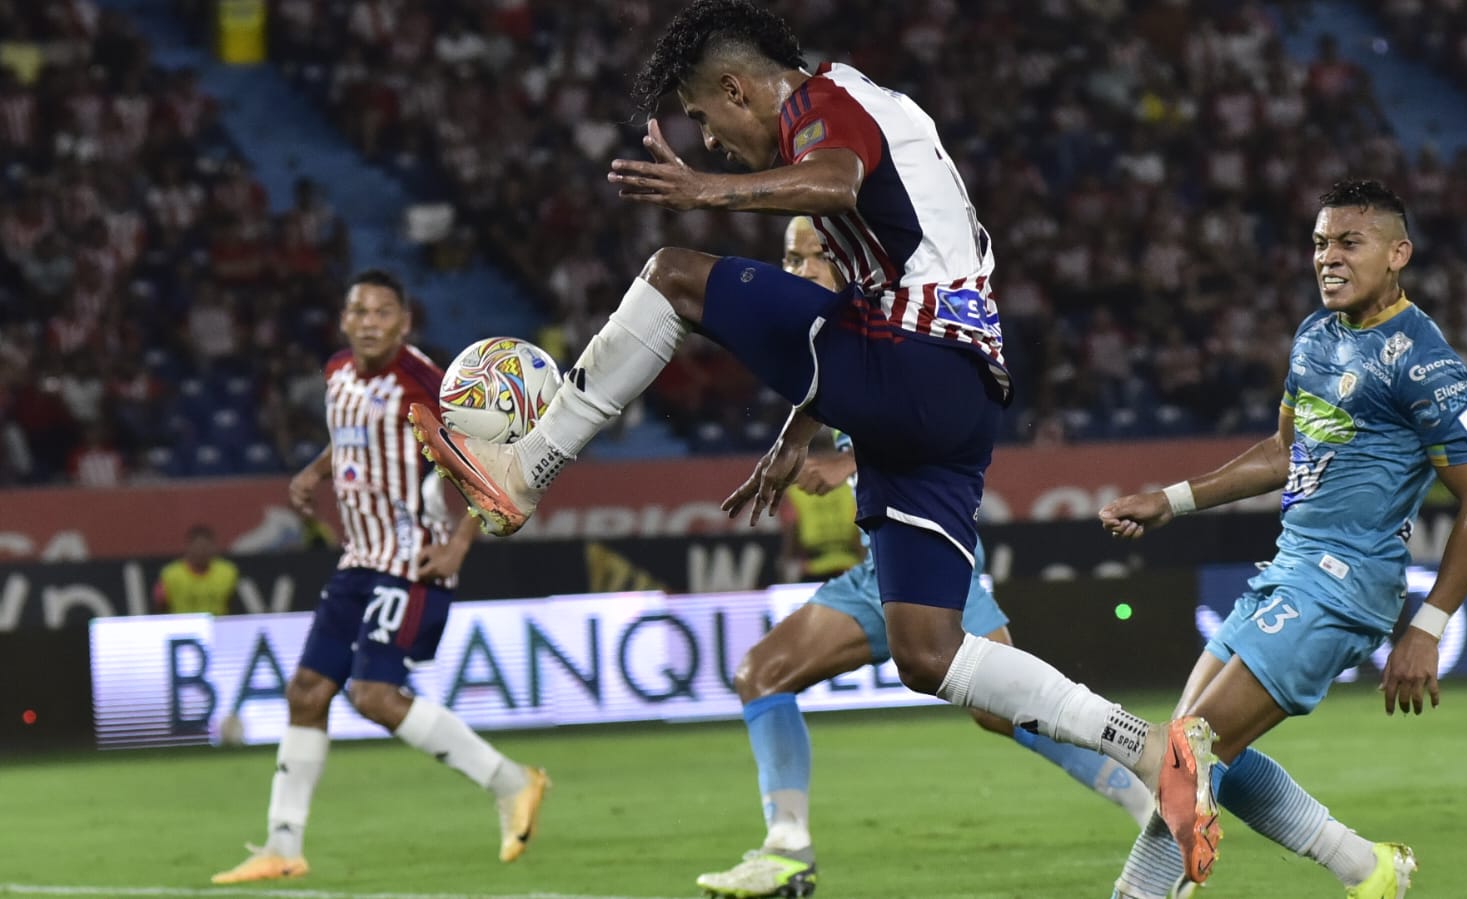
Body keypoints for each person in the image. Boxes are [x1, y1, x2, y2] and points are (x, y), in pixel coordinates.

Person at [410, 1, 1221, 884]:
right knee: (929, 651)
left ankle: (524, 470)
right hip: (950, 401)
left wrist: (702, 196)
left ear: (733, 87)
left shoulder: (823, 103)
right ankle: (1149, 751)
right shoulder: (868, 115)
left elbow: (832, 180)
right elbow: (865, 285)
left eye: (704, 119)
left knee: (674, 274)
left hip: (918, 367)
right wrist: (802, 422)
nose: (710, 144)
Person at [694, 217, 1159, 898]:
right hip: (877, 569)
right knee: (759, 673)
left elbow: (926, 416)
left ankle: (1152, 800)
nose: (791, 273)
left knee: (999, 709)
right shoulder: (834, 334)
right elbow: (832, 395)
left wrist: (842, 458)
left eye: (805, 257)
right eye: (785, 258)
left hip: (934, 553)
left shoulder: (897, 323)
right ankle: (787, 849)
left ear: (846, 258)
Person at [1098, 180, 1467, 899]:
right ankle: (1367, 868)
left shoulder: (1421, 358)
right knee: (1181, 750)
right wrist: (1171, 500)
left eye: (1349, 242)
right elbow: (1282, 452)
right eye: (1320, 242)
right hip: (1289, 569)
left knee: (1191, 756)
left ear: (1397, 253)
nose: (1328, 258)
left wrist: (1427, 626)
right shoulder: (1316, 335)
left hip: (1346, 586)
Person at [212, 271, 550, 885]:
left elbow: (488, 466)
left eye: (382, 312)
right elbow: (354, 436)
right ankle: (282, 846)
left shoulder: (424, 384)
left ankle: (511, 782)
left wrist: (460, 545)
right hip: (357, 559)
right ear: (344, 320)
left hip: (411, 560)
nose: (369, 321)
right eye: (358, 310)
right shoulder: (337, 370)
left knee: (373, 696)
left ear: (404, 322)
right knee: (308, 693)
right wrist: (318, 470)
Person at [777, 428, 864, 584]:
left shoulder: (796, 488)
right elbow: (860, 528)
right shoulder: (850, 482)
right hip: (849, 566)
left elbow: (792, 528)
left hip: (812, 569)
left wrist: (786, 563)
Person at [153, 524, 239, 616]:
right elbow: (160, 605)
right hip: (182, 626)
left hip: (218, 625)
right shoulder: (171, 574)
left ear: (213, 547)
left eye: (206, 547)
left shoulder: (227, 572)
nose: (201, 551)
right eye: (197, 547)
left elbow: (233, 604)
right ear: (188, 547)